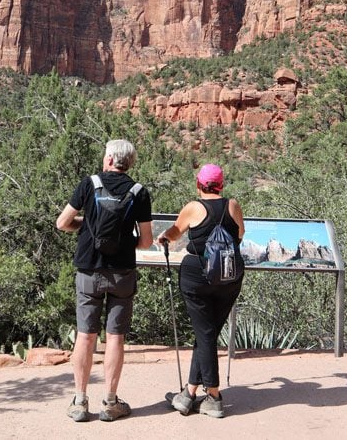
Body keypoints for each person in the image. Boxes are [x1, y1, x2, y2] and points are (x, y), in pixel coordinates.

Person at [56, 139, 153, 422]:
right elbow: (146, 242)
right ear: (129, 163)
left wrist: (84, 228)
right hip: (122, 272)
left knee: (85, 336)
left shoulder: (90, 183)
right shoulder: (139, 192)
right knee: (115, 337)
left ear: (109, 159)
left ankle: (79, 400)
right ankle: (110, 402)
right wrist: (123, 243)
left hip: (89, 269)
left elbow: (62, 223)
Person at [156, 163, 244, 419]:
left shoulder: (194, 207)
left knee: (205, 333)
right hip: (229, 276)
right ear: (222, 184)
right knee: (207, 333)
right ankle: (188, 393)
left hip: (197, 275)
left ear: (198, 184)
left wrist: (164, 238)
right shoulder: (233, 205)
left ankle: (214, 396)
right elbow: (240, 234)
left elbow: (175, 232)